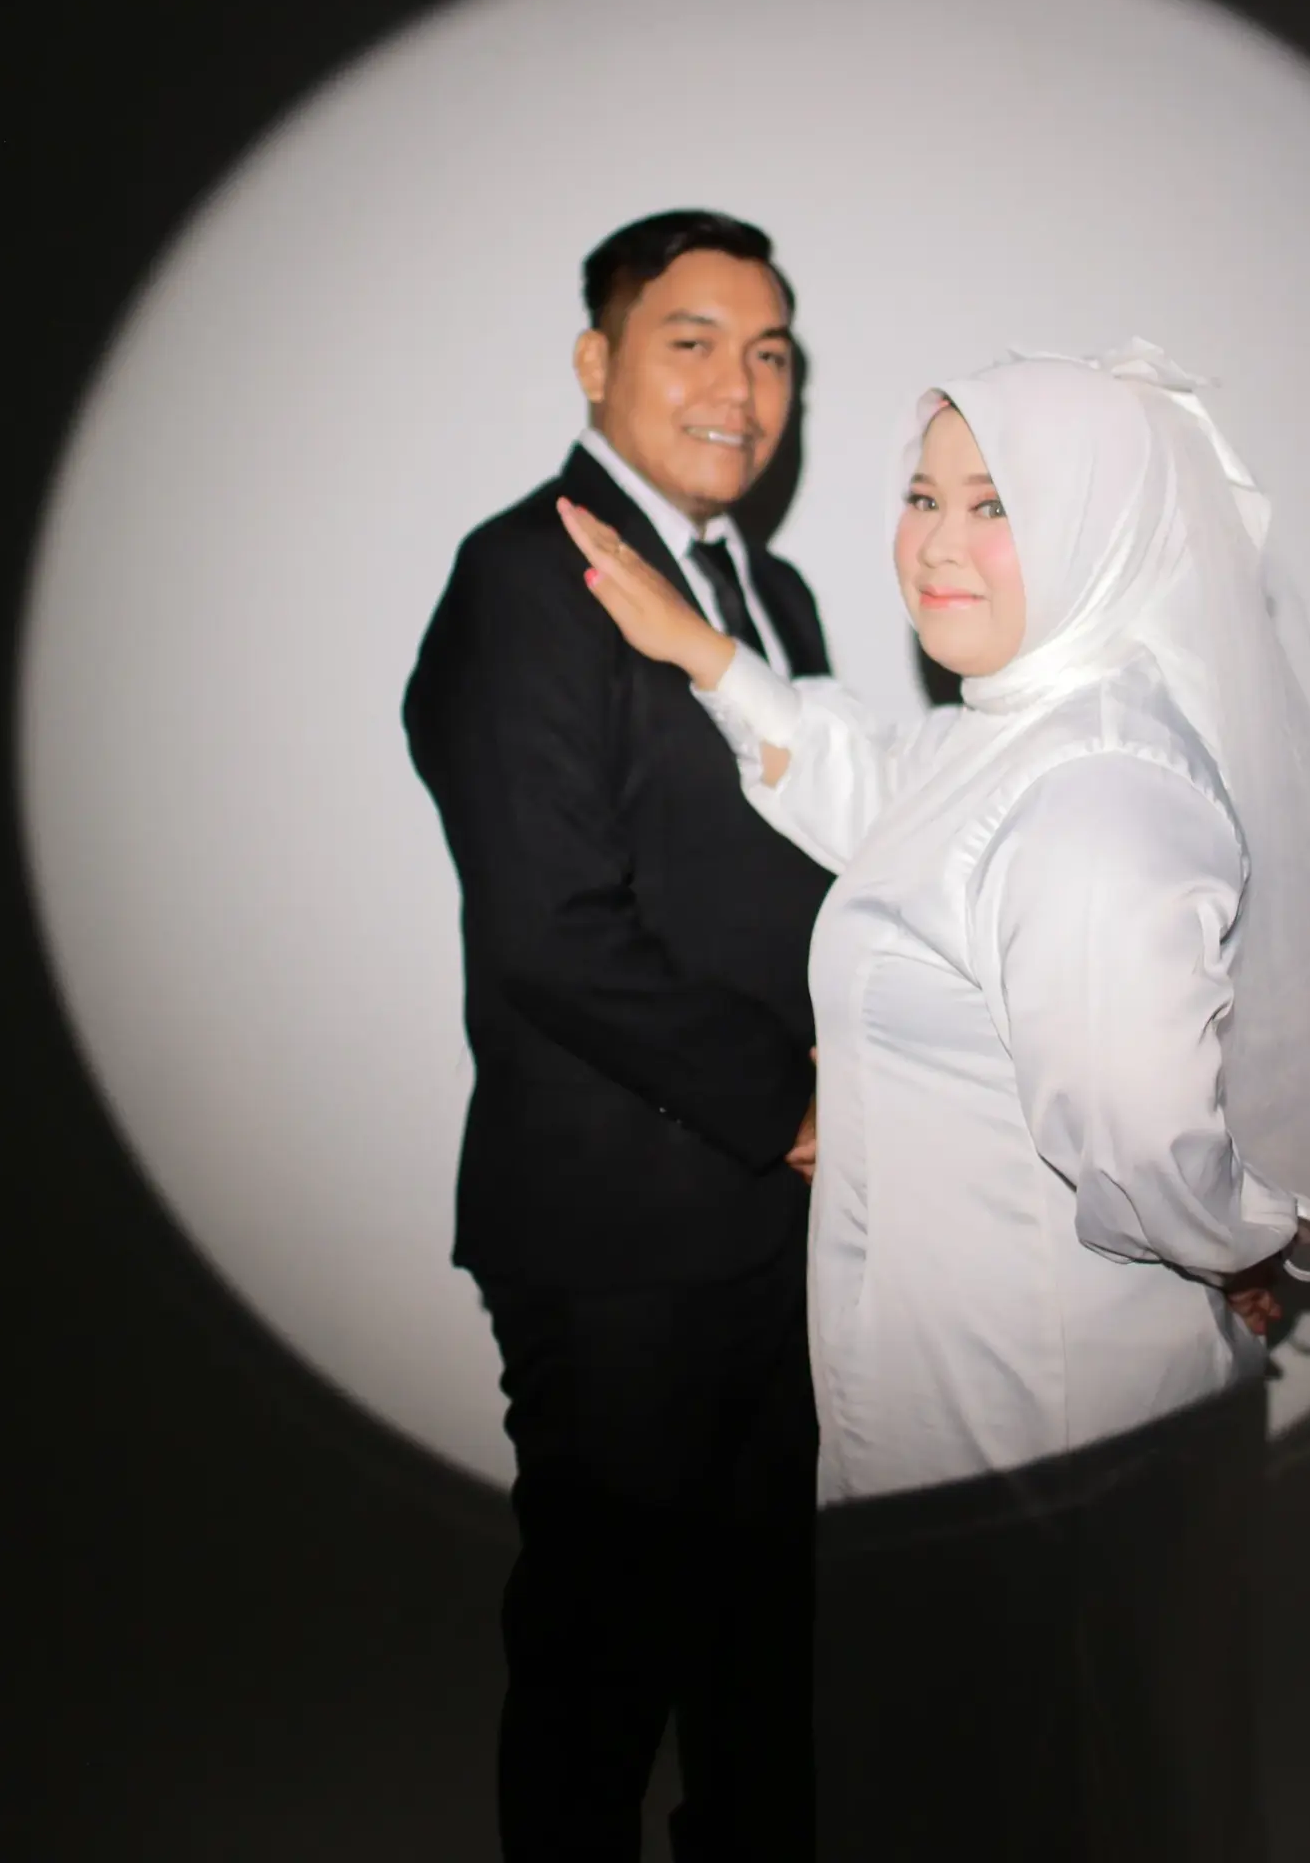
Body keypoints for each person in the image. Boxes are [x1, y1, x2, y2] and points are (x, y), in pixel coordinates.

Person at [559, 341, 1310, 1505]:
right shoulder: (1007, 732)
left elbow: (1148, 1150)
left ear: (1099, 532)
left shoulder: (1098, 795)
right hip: (962, 1395)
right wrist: (701, 647)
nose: (936, 542)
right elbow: (879, 788)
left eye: (994, 505)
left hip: (1044, 1431)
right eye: (923, 497)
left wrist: (1236, 1241)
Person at [403, 210, 832, 1863]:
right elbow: (551, 932)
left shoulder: (775, 594)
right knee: (601, 1680)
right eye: (692, 340)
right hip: (616, 1237)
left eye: (771, 353)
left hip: (789, 1227)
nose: (741, 385)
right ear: (597, 361)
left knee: (769, 1668)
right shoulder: (521, 575)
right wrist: (792, 1107)